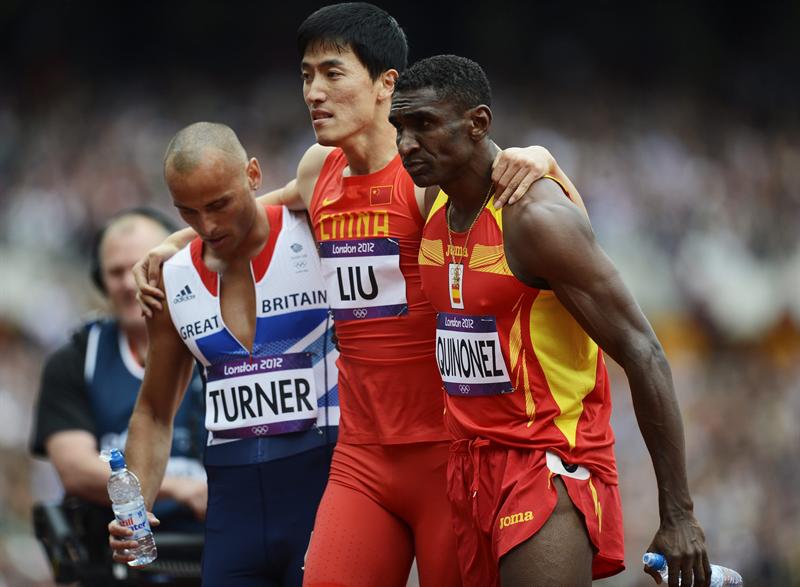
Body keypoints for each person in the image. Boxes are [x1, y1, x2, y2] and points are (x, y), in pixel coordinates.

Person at [133, 5, 582, 586]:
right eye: (305, 76)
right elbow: (256, 206)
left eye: (332, 73)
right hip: (361, 456)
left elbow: (558, 229)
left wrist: (544, 160)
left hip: (446, 451)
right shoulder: (318, 168)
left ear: (385, 84)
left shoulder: (427, 179)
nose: (313, 92)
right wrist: (177, 239)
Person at [389, 54, 712, 587]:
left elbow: (645, 351)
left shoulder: (536, 219)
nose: (405, 144)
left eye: (423, 124)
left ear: (478, 123)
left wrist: (678, 514)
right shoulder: (431, 202)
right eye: (399, 127)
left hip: (547, 462)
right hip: (467, 467)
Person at [109, 122, 339, 587]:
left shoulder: (315, 229)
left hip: (325, 489)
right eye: (188, 211)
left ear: (253, 174)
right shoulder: (171, 277)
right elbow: (154, 411)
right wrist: (135, 507)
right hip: (233, 513)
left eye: (219, 204)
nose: (208, 226)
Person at [30, 208, 207, 586]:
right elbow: (75, 469)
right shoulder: (76, 359)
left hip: (215, 552)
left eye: (142, 266)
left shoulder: (215, 339)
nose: (130, 282)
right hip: (119, 561)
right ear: (100, 279)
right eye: (115, 272)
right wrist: (182, 489)